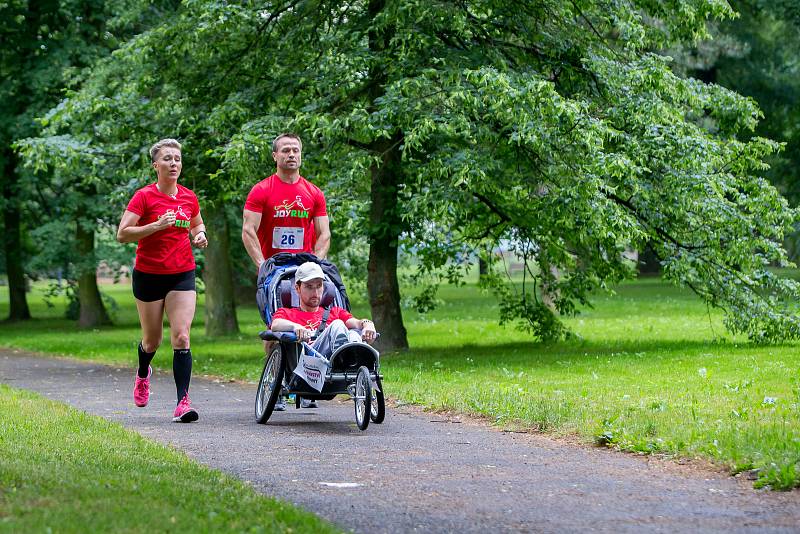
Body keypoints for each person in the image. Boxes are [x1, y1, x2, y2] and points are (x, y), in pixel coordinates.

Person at [117, 138, 208, 423]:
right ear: (156, 165)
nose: (174, 163)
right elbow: (123, 233)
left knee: (181, 336)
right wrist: (155, 225)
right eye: (167, 159)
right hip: (148, 275)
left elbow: (196, 222)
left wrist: (200, 235)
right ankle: (143, 372)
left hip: (182, 273)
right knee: (152, 341)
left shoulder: (188, 197)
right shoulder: (143, 197)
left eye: (177, 159)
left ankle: (183, 403)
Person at [271, 262, 376, 408]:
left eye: (319, 286)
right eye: (309, 287)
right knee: (338, 325)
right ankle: (347, 356)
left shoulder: (335, 312)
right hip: (310, 364)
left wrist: (368, 324)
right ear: (297, 288)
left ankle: (355, 359)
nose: (315, 292)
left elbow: (357, 323)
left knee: (352, 333)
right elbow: (275, 325)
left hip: (338, 367)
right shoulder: (288, 313)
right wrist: (296, 327)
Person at [241, 133, 331, 269]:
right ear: (274, 156)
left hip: (304, 268)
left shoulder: (315, 193)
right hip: (273, 267)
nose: (291, 154)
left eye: (296, 150)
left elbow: (324, 234)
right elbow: (248, 230)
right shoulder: (260, 190)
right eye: (285, 150)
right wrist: (262, 265)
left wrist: (315, 264)